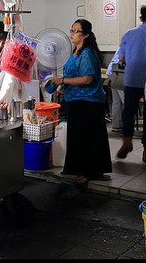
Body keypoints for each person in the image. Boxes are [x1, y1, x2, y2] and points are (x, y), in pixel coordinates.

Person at [48, 19, 112, 185]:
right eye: (71, 30)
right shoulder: (76, 51)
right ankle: (77, 168)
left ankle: (89, 172)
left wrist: (63, 80)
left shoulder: (87, 53)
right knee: (77, 137)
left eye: (76, 31)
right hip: (76, 100)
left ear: (86, 34)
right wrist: (65, 87)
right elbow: (74, 77)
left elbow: (87, 79)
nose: (72, 33)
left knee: (87, 138)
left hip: (88, 102)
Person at [115, 4, 146, 163]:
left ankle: (127, 140)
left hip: (132, 78)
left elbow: (121, 58)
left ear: (141, 18)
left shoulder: (129, 34)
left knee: (129, 111)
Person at [106, 47, 125, 134]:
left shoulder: (122, 45)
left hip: (113, 72)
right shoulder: (130, 45)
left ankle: (116, 125)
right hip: (120, 73)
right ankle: (126, 126)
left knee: (116, 101)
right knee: (125, 101)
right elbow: (122, 58)